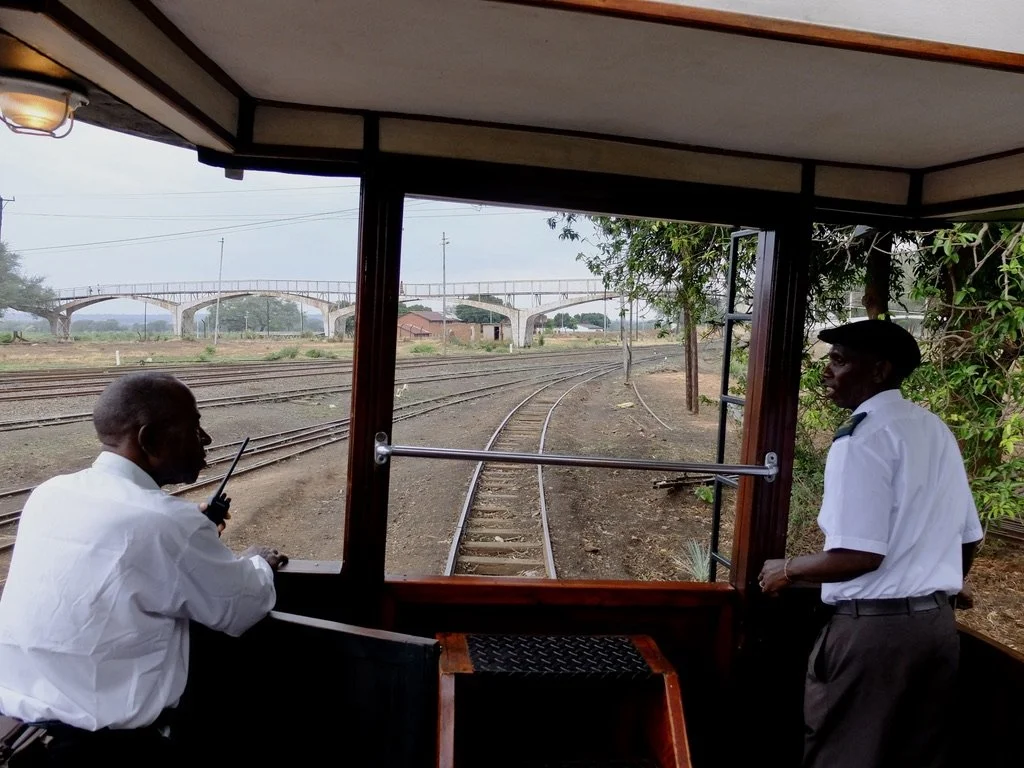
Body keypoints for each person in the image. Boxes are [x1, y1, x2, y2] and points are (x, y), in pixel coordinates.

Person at [0, 372, 288, 765]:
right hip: (111, 751)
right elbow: (242, 604)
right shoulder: (167, 524)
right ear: (149, 439)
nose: (204, 441)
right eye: (193, 427)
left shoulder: (49, 493)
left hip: (23, 733)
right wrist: (259, 561)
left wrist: (186, 531)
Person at [759, 319, 983, 768]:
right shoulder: (933, 428)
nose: (827, 371)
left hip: (873, 639)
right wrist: (936, 582)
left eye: (839, 361)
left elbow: (858, 555)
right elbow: (969, 538)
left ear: (879, 371)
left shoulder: (860, 440)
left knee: (843, 755)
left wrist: (787, 569)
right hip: (935, 632)